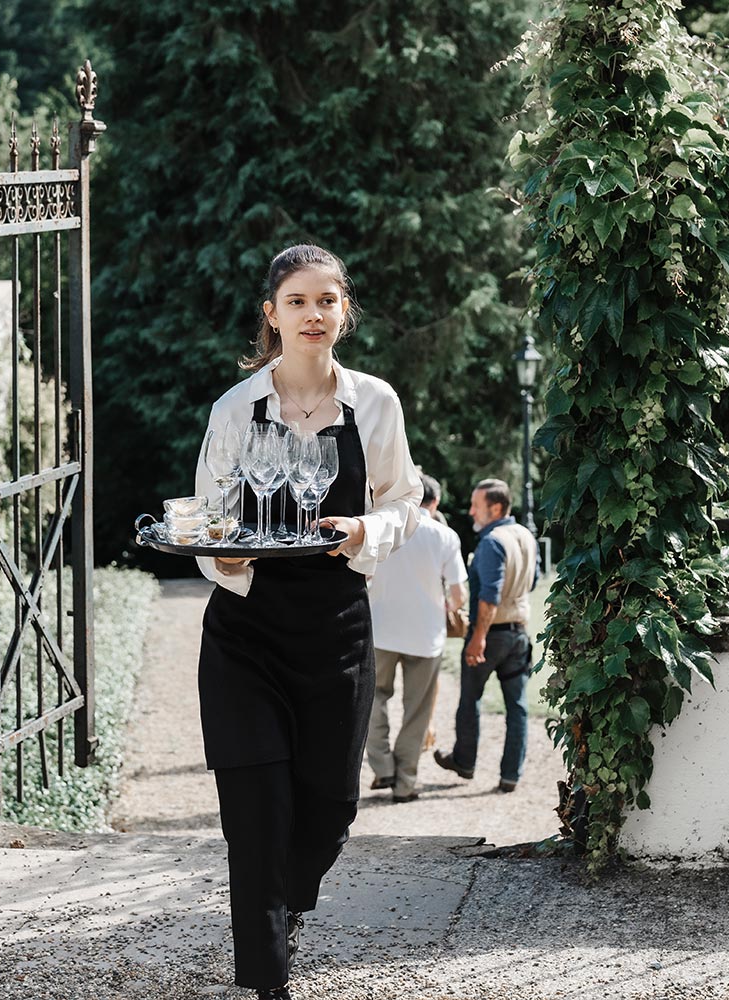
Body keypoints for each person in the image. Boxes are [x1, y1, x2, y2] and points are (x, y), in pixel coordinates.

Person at [192, 244, 422, 1000]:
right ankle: (266, 979)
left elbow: (403, 502)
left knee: (330, 804)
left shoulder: (376, 405)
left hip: (336, 630)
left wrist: (365, 532)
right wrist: (224, 557)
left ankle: (289, 903)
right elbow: (209, 523)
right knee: (255, 813)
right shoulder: (235, 410)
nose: (313, 314)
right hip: (246, 631)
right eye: (297, 301)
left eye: (327, 300)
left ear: (344, 311)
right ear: (272, 314)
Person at [363, 472, 465, 803]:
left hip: (381, 629)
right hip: (426, 635)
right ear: (434, 503)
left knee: (372, 699)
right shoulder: (444, 536)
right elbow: (458, 595)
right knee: (417, 710)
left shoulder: (382, 531)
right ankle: (405, 782)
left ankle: (382, 766)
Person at [433, 479, 539, 793]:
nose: (470, 512)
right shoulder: (526, 536)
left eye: (476, 505)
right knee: (517, 707)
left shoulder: (493, 541)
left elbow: (489, 596)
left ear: (495, 508)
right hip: (519, 632)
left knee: (470, 699)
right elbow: (530, 584)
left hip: (490, 634)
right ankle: (511, 775)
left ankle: (465, 762)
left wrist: (478, 636)